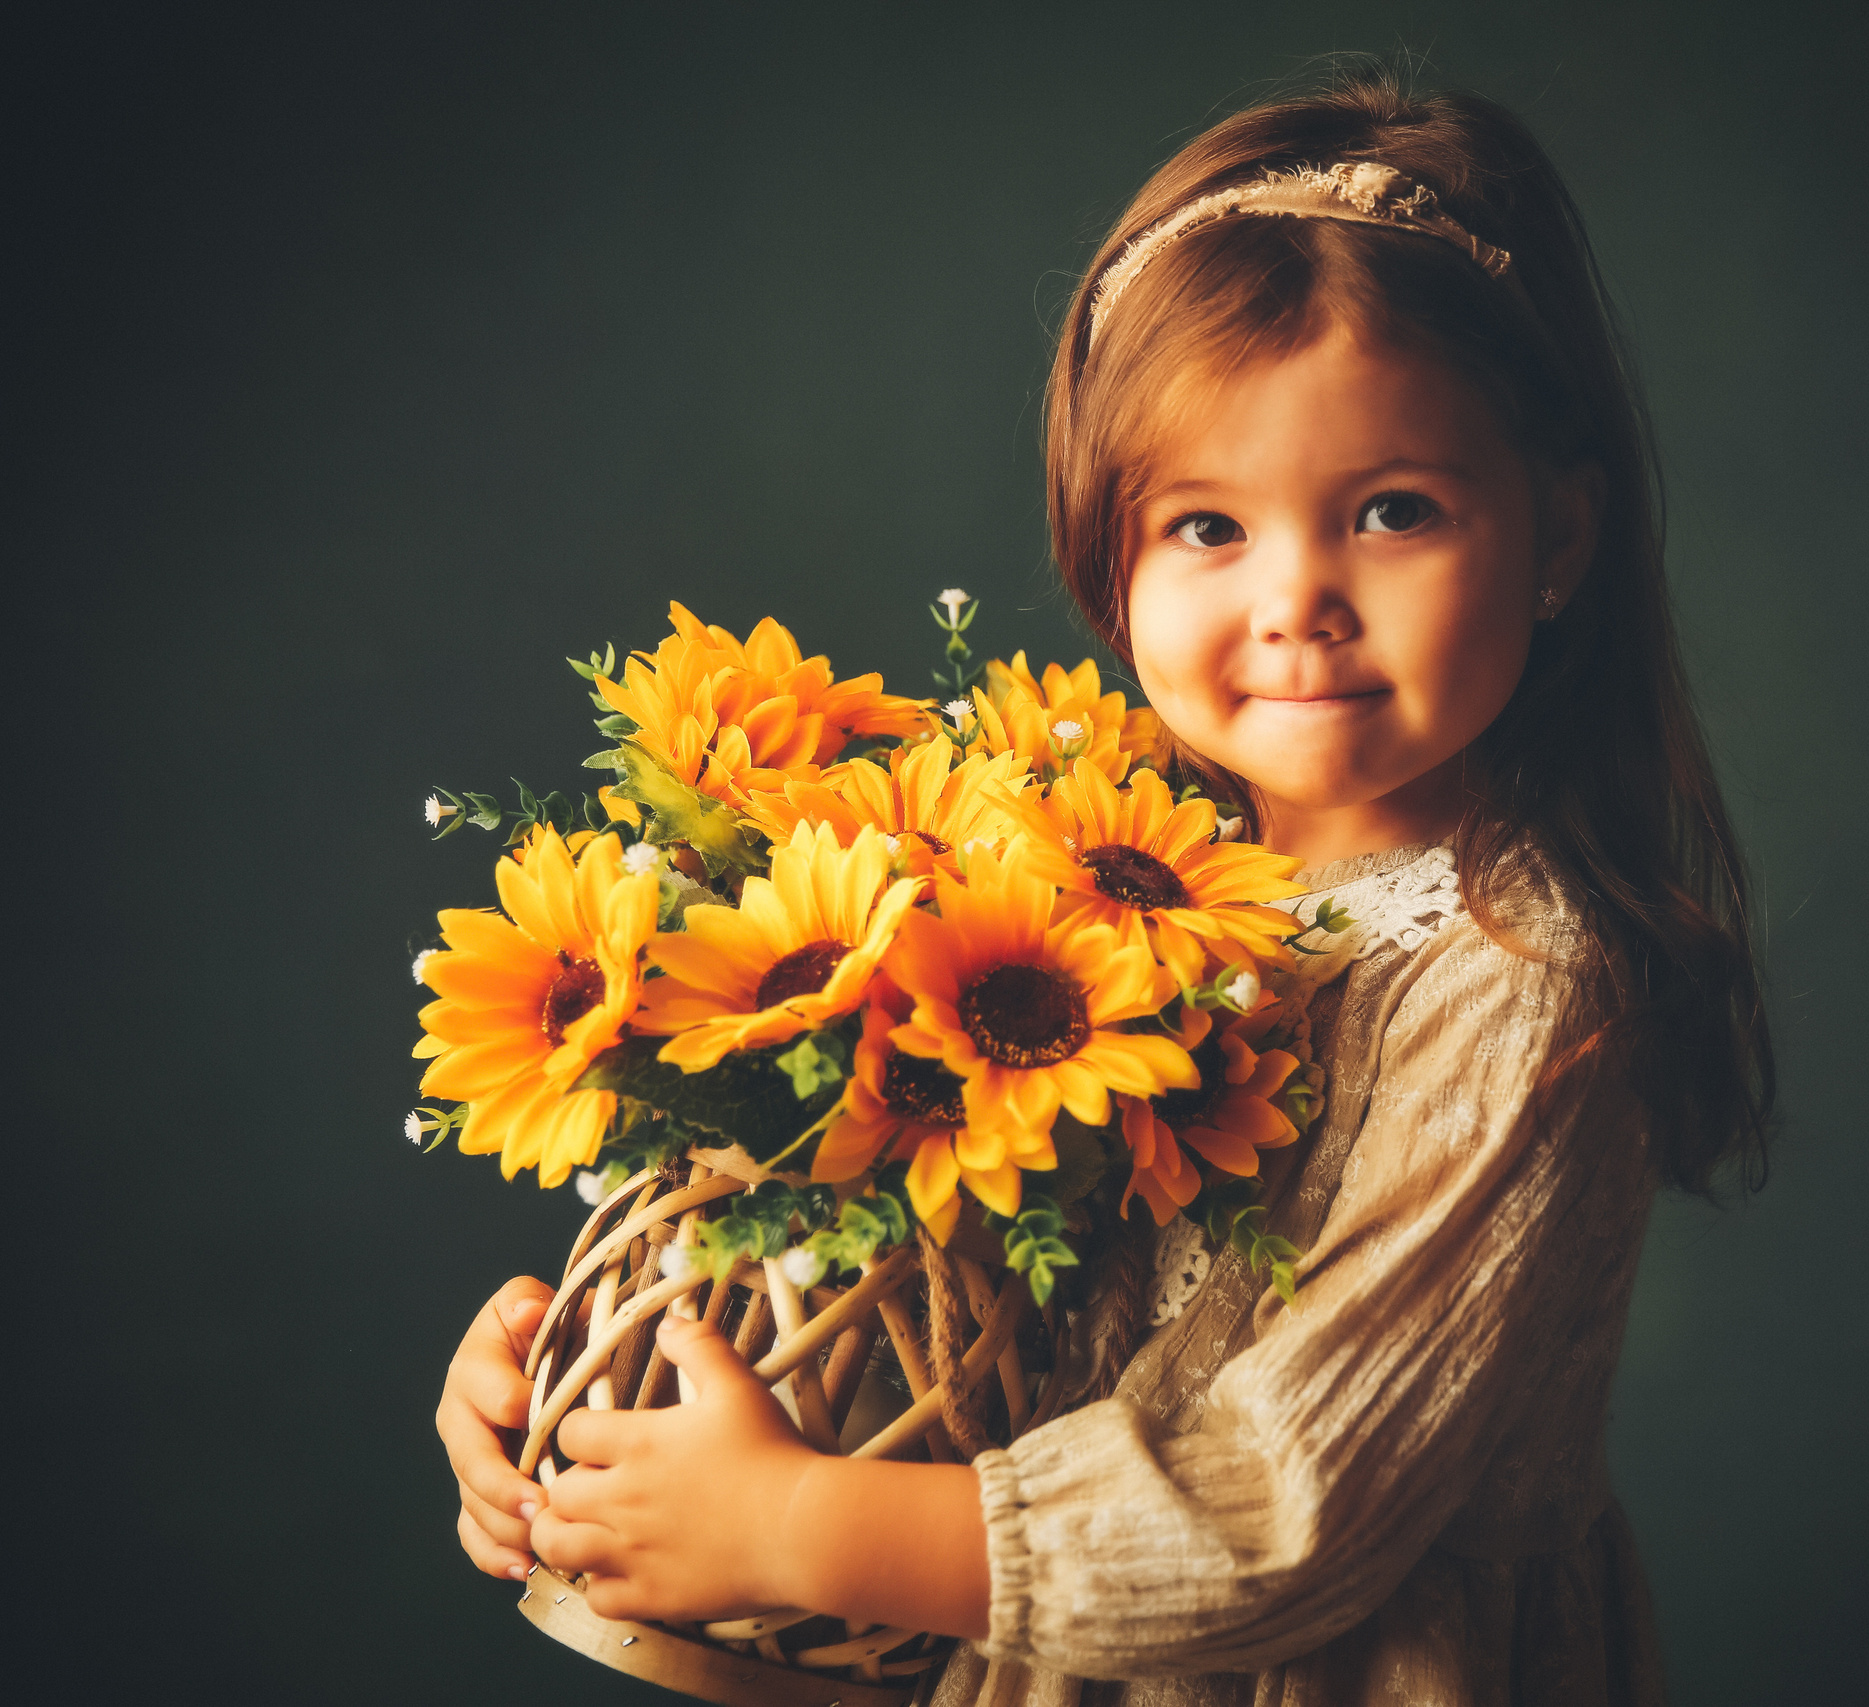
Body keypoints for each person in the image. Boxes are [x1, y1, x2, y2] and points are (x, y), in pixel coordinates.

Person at [437, 70, 1775, 1705]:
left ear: (1558, 534)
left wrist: (794, 1522)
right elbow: (924, 1281)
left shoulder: (1525, 984)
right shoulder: (1073, 846)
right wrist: (607, 1374)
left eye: (1394, 514)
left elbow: (1287, 1515)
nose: (1299, 603)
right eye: (1209, 526)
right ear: (1108, 550)